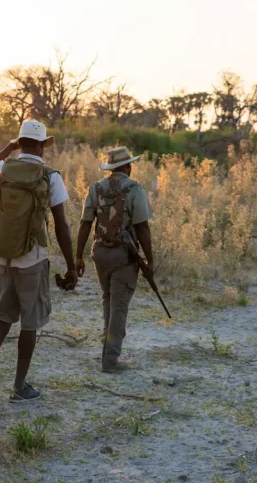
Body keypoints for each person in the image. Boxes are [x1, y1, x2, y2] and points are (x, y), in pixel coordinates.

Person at [0, 119, 77, 402]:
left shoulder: (3, 168)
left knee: (3, 315)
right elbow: (61, 225)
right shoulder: (49, 176)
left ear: (19, 143)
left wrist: (6, 149)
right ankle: (20, 387)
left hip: (3, 255)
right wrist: (70, 265)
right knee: (29, 323)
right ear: (44, 146)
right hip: (32, 258)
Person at [74, 146, 154, 373]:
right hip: (124, 255)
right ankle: (110, 359)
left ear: (111, 168)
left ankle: (107, 351)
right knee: (119, 306)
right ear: (128, 166)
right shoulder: (135, 189)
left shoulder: (96, 188)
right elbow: (143, 229)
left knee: (108, 300)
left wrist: (78, 256)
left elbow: (85, 223)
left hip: (100, 253)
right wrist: (150, 261)